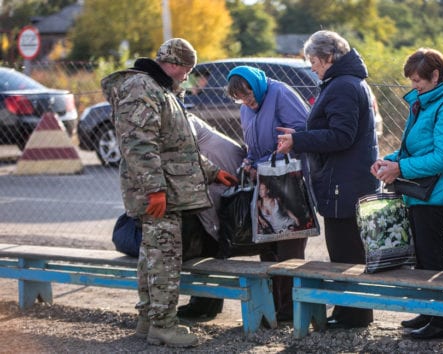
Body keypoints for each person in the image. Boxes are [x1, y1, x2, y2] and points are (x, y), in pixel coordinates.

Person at [101, 38, 238, 348]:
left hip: (167, 191)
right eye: (187, 69)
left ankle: (148, 320)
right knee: (164, 259)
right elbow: (138, 145)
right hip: (161, 195)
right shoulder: (143, 89)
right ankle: (163, 325)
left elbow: (178, 147)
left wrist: (212, 171)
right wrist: (155, 190)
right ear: (175, 65)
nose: (187, 76)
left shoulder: (162, 91)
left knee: (152, 256)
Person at [277, 30, 380, 329]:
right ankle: (352, 311)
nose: (311, 66)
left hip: (344, 183)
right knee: (345, 250)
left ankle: (353, 314)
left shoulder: (343, 86)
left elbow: (341, 135)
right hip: (345, 180)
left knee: (345, 253)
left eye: (314, 60)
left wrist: (299, 139)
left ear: (329, 57)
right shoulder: (344, 82)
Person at [371, 48, 443, 340]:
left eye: (418, 80)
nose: (414, 85)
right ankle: (430, 313)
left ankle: (442, 322)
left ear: (435, 76)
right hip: (421, 189)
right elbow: (415, 147)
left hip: (435, 192)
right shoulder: (427, 101)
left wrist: (399, 168)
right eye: (412, 80)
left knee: (433, 257)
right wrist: (387, 160)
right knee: (423, 257)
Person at [226, 65, 309, 322]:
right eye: (241, 99)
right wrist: (250, 161)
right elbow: (251, 143)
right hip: (264, 181)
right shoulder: (245, 108)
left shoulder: (280, 93)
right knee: (268, 245)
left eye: (249, 96)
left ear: (256, 86)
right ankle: (272, 306)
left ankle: (292, 308)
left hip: (288, 182)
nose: (247, 103)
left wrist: (264, 160)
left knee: (289, 246)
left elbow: (301, 132)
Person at [176, 114, 247, 320]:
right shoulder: (180, 116)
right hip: (215, 174)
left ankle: (205, 303)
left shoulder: (181, 118)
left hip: (221, 174)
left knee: (210, 240)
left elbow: (185, 153)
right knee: (208, 240)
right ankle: (205, 302)